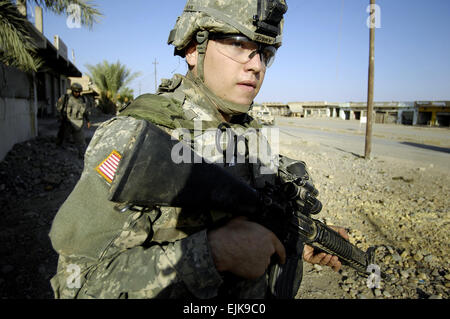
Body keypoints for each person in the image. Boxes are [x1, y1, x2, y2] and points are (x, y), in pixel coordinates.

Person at [49, 0, 348, 299]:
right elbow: (76, 284)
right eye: (238, 45)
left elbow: (260, 214)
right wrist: (212, 254)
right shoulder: (138, 137)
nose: (256, 65)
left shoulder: (252, 132)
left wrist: (291, 236)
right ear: (194, 49)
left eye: (265, 53)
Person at [56, 82, 91, 159]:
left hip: (78, 123)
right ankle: (61, 158)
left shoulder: (83, 100)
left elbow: (85, 111)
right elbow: (59, 108)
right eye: (76, 91)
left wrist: (88, 121)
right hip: (67, 123)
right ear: (72, 90)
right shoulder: (65, 98)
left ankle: (83, 157)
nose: (77, 93)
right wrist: (61, 118)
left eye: (79, 92)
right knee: (63, 140)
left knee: (81, 142)